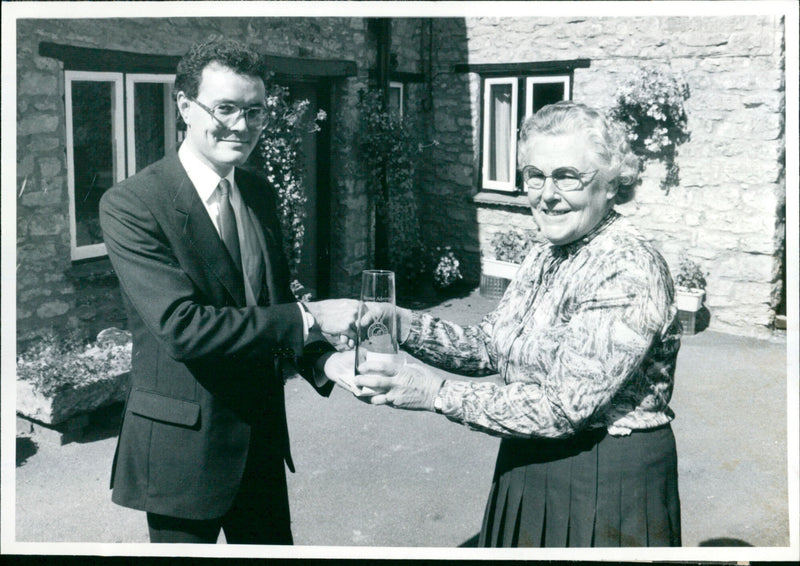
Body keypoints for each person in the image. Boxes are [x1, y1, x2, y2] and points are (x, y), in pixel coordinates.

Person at [323, 101, 683, 547]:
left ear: (611, 184)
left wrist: (434, 393)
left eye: (567, 176)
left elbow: (562, 408)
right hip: (530, 457)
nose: (547, 194)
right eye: (535, 175)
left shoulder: (628, 265)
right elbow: (490, 346)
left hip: (604, 479)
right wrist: (400, 323)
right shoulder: (546, 252)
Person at [99, 37, 353, 544]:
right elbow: (182, 328)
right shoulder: (133, 203)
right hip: (181, 453)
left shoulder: (257, 193)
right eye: (225, 108)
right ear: (184, 107)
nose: (241, 125)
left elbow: (273, 302)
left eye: (255, 111)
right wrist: (313, 317)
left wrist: (326, 362)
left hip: (259, 443)